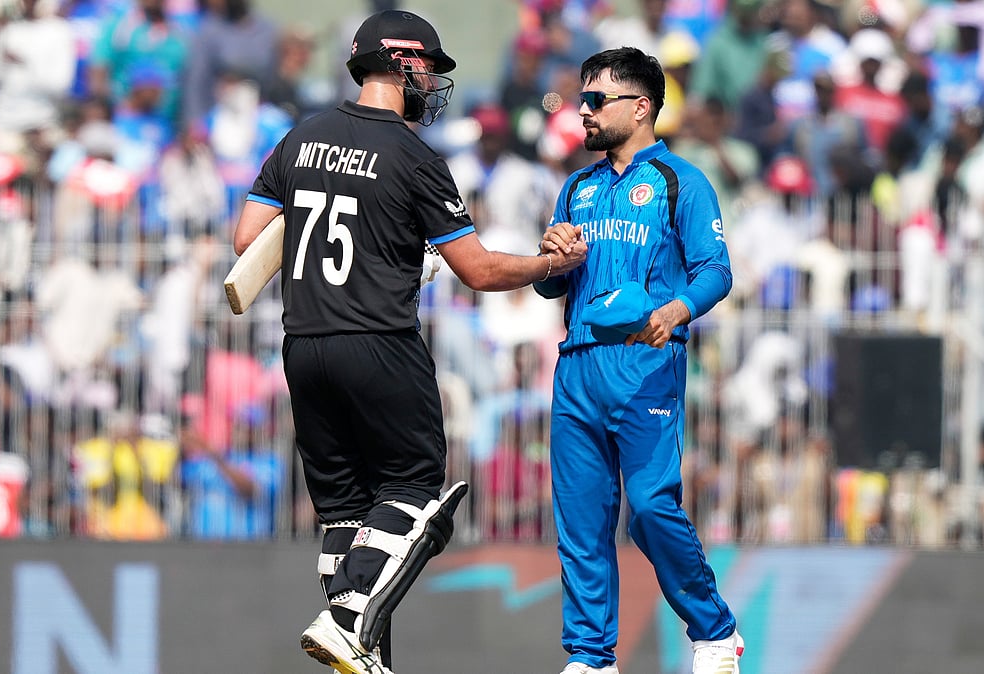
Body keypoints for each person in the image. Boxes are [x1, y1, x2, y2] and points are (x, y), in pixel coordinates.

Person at [231, 9, 586, 674]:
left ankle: (360, 654)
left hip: (303, 345)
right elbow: (479, 271)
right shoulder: (415, 157)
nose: (433, 81)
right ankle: (346, 625)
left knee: (347, 516)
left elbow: (248, 240)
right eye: (428, 67)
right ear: (400, 63)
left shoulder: (300, 138)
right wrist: (549, 265)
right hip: (379, 342)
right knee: (415, 489)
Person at [535, 47, 742, 674]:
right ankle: (591, 657)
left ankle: (715, 631)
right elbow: (550, 284)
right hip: (577, 365)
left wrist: (676, 310)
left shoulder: (682, 181)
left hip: (645, 363)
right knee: (581, 521)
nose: (584, 111)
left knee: (650, 508)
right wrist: (550, 256)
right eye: (583, 99)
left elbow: (716, 271)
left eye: (596, 100)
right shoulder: (577, 186)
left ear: (641, 106)